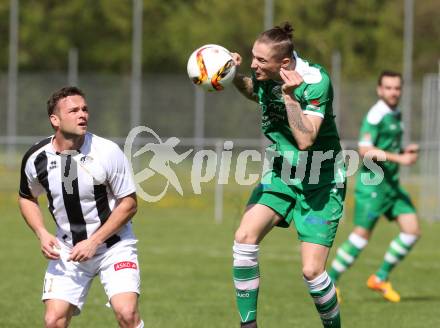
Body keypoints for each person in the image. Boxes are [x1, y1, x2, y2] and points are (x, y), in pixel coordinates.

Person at [231, 22, 345, 328]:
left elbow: (306, 140)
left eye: (260, 60)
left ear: (285, 63)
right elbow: (254, 92)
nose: (253, 64)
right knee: (244, 238)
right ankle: (248, 325)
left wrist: (291, 97)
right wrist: (229, 74)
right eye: (252, 57)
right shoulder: (267, 76)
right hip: (282, 172)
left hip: (321, 179)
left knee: (312, 272)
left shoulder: (315, 81)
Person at [18, 86, 144, 328]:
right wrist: (42, 233)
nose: (82, 114)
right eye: (73, 110)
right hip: (67, 248)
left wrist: (94, 240)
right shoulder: (36, 157)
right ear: (55, 119)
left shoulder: (107, 152)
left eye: (84, 109)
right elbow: (26, 197)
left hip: (113, 246)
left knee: (127, 313)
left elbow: (128, 204)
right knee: (53, 320)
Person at [328, 71, 421, 303]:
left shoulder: (396, 113)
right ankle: (330, 282)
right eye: (388, 88)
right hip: (373, 185)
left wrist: (402, 152)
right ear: (380, 90)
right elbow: (365, 150)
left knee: (412, 231)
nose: (393, 92)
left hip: (391, 185)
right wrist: (400, 159)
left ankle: (380, 278)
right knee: (361, 236)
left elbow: (385, 147)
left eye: (397, 88)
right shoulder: (376, 114)